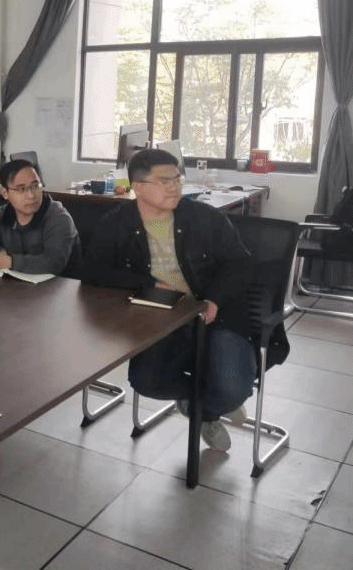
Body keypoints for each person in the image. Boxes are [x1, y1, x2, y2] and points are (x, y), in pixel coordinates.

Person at [81, 148, 255, 452]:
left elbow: (240, 264)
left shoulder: (204, 218)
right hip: (162, 318)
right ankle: (202, 403)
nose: (175, 187)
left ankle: (207, 411)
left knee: (232, 389)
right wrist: (147, 284)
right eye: (165, 181)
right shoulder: (117, 222)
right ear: (138, 187)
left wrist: (214, 300)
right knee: (146, 381)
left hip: (216, 315)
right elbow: (92, 271)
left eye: (177, 179)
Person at [0, 159, 81, 276]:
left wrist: (10, 262)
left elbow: (54, 263)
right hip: (18, 284)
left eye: (35, 186)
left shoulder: (58, 216)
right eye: (21, 189)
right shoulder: (1, 214)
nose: (31, 195)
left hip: (61, 285)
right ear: (5, 193)